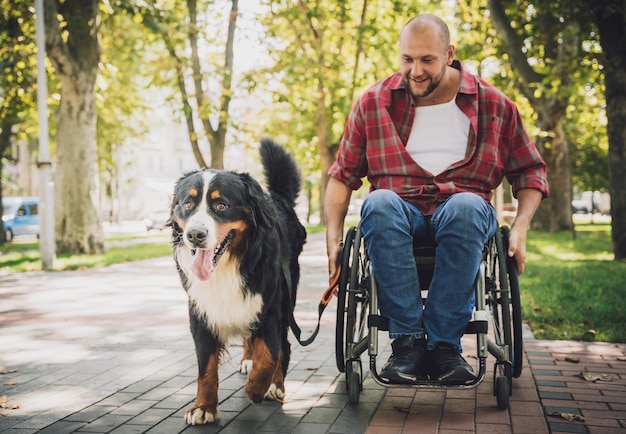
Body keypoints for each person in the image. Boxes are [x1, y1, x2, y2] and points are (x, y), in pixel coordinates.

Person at [325, 14, 549, 385]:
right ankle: (407, 344)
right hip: (398, 211)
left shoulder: (494, 104)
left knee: (465, 206)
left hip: (464, 209)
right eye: (407, 59)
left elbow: (529, 172)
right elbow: (342, 175)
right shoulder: (373, 102)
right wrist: (334, 240)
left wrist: (521, 226)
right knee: (378, 202)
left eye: (427, 60)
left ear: (449, 54)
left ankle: (445, 347)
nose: (415, 70)